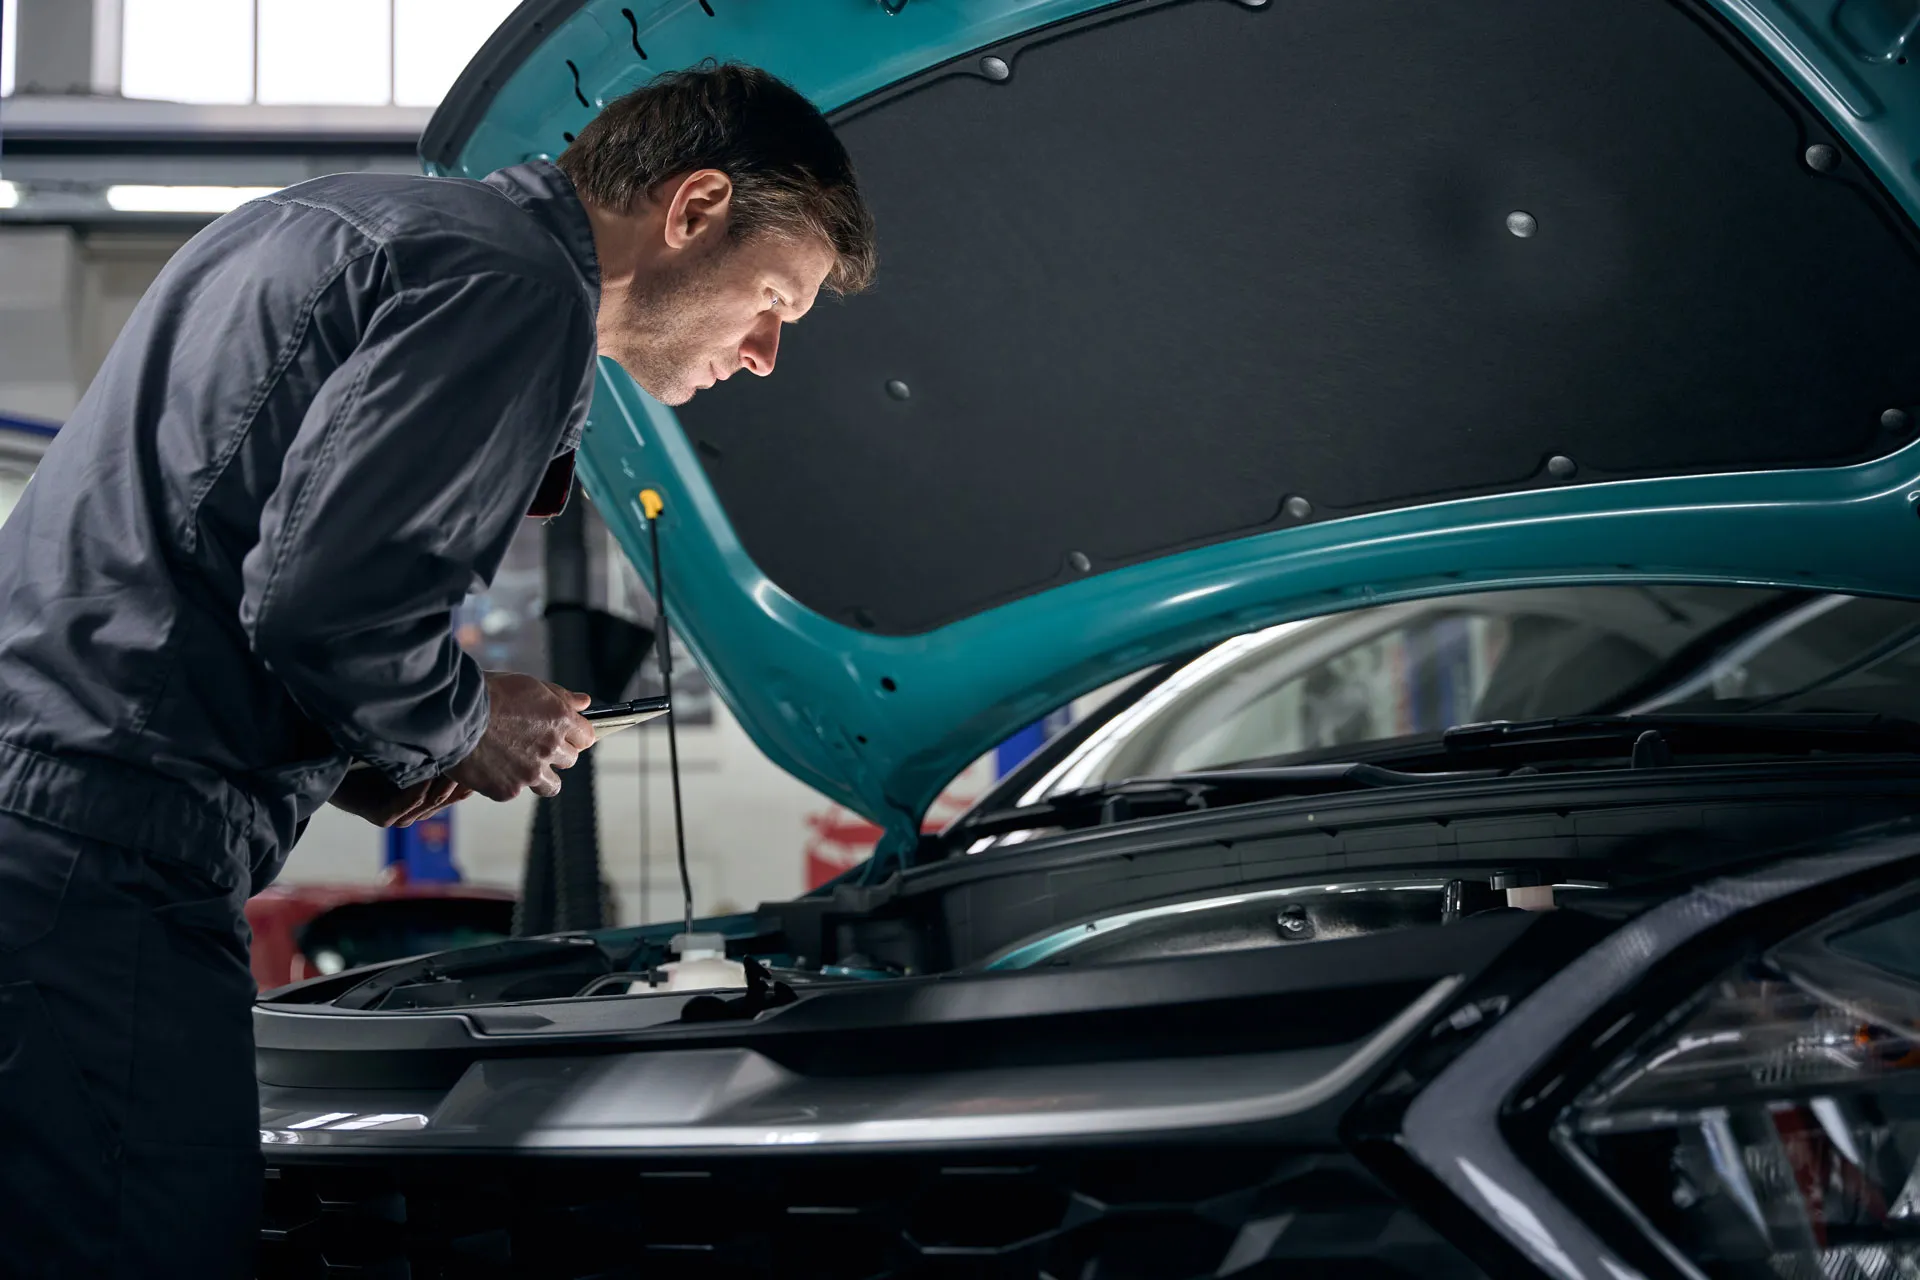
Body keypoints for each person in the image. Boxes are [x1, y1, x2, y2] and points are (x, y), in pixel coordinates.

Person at [0, 62, 875, 1278]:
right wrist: (468, 723)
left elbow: (213, 561)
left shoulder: (324, 221)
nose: (769, 351)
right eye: (774, 296)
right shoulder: (515, 287)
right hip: (104, 865)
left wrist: (379, 755)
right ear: (694, 209)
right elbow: (326, 605)